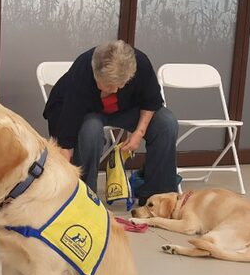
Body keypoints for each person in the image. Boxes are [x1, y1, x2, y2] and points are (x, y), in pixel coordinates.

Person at [43, 40, 179, 203]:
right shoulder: (82, 71)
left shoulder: (141, 63)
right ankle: (84, 197)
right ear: (95, 72)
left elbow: (151, 101)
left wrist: (138, 133)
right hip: (88, 112)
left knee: (166, 123)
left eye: (118, 86)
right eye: (107, 85)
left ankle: (157, 197)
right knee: (90, 130)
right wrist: (61, 180)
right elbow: (66, 138)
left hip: (126, 109)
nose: (113, 90)